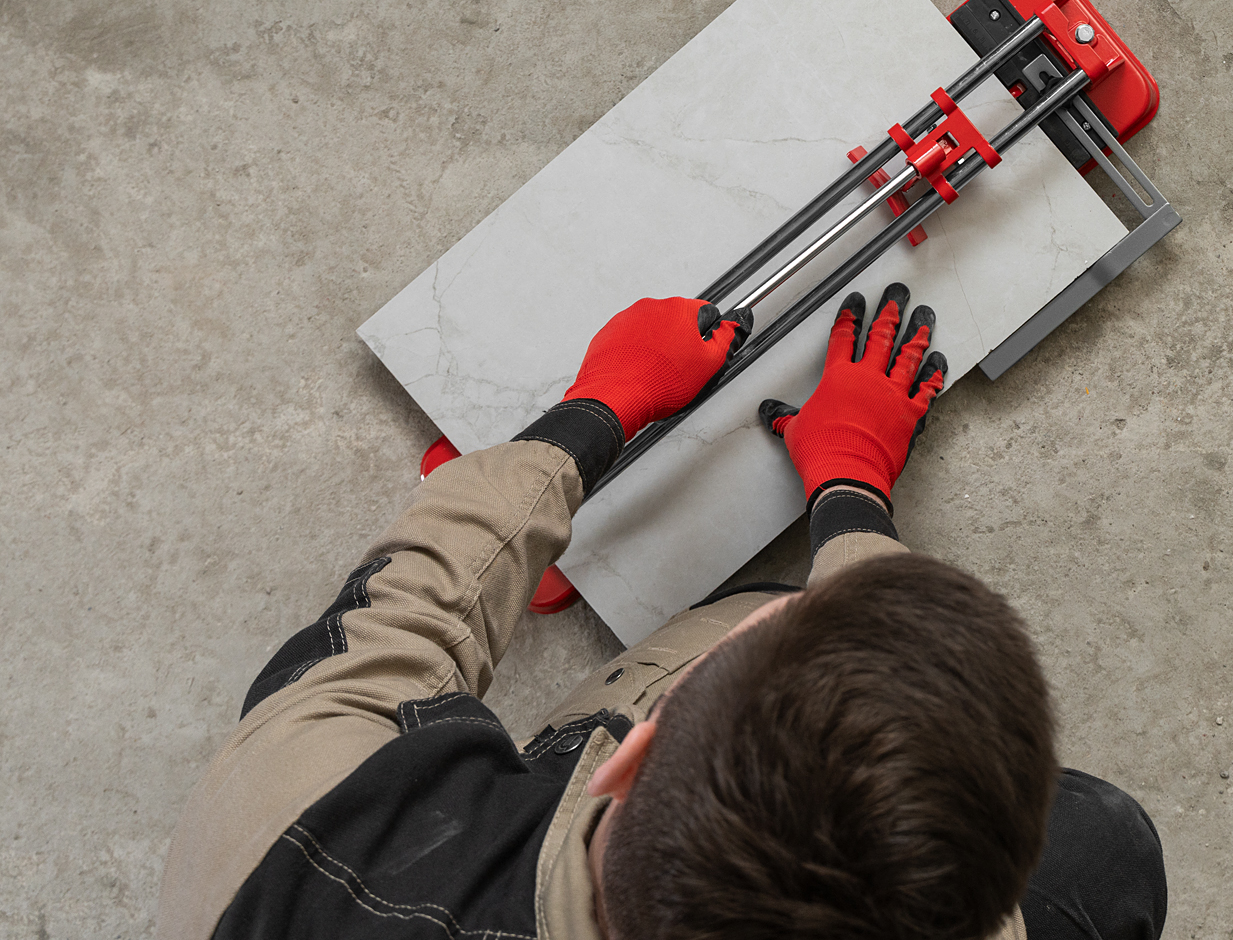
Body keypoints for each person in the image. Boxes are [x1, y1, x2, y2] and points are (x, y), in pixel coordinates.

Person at [156, 283, 1167, 940]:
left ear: (626, 755)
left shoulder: (284, 835)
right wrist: (851, 490)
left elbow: (407, 604)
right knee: (1104, 847)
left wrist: (598, 406)